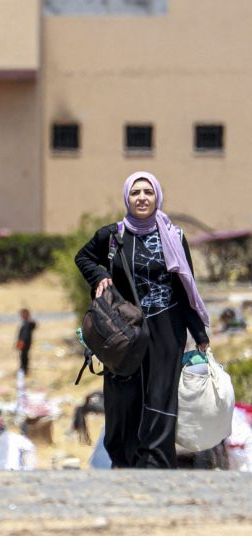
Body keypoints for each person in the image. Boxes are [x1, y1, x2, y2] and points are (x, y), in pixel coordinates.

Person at [74, 171, 210, 469]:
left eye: (148, 192)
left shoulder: (174, 237)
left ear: (157, 196)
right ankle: (124, 459)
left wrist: (199, 333)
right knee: (123, 395)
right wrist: (101, 276)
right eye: (135, 192)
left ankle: (156, 463)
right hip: (125, 333)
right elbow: (83, 258)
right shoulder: (112, 236)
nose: (142, 197)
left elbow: (185, 288)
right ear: (127, 198)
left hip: (167, 330)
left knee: (161, 397)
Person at [16, 308, 36, 375]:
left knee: (24, 357)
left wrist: (21, 342)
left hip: (25, 343)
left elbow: (25, 335)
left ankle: (24, 370)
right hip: (24, 343)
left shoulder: (28, 323)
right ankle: (23, 369)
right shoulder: (26, 323)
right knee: (23, 356)